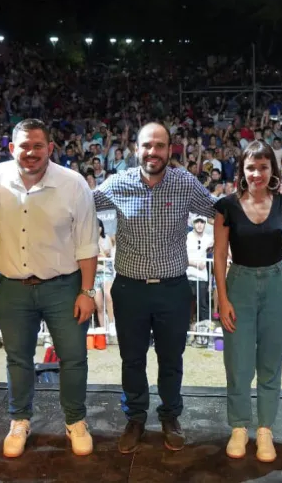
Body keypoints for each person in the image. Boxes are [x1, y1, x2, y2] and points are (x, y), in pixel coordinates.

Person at [93, 122, 236, 454]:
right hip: (129, 289)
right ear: (136, 149)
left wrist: (259, 200)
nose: (152, 152)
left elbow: (220, 210)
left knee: (171, 359)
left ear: (170, 149)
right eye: (147, 145)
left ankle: (170, 416)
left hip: (172, 289)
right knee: (132, 359)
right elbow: (79, 204)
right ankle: (135, 419)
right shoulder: (118, 183)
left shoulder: (184, 183)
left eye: (159, 146)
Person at [0, 119, 99, 458]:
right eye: (24, 146)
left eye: (38, 146)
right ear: (12, 148)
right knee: (17, 358)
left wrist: (87, 292)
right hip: (12, 286)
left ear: (50, 148)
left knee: (74, 357)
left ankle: (75, 420)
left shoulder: (73, 183)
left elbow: (87, 243)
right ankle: (19, 420)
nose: (31, 152)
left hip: (63, 286)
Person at [213, 140, 282, 462]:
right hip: (239, 285)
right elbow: (220, 255)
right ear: (242, 170)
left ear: (273, 169)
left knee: (271, 363)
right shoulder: (226, 206)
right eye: (251, 167)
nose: (257, 173)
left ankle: (264, 430)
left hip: (277, 285)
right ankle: (238, 427)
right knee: (238, 363)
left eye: (263, 167)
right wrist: (222, 298)